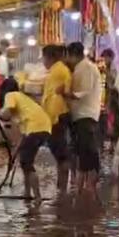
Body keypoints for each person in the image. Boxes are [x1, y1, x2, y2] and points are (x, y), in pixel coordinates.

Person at [0, 92, 52, 201]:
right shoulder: (25, 107)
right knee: (25, 162)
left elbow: (6, 115)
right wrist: (14, 156)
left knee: (27, 163)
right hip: (44, 128)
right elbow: (22, 138)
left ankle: (37, 196)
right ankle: (27, 193)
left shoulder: (10, 95)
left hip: (36, 128)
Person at [62, 42, 103, 193]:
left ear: (73, 55)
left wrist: (64, 93)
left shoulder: (86, 68)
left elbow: (82, 91)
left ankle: (90, 183)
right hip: (79, 114)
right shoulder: (79, 68)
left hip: (86, 113)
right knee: (81, 148)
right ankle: (84, 183)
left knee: (87, 148)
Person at [40, 44, 73, 194]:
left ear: (50, 57)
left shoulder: (58, 71)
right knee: (59, 152)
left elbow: (53, 97)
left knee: (60, 153)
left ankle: (63, 188)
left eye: (44, 57)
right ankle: (61, 187)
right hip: (54, 116)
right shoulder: (57, 70)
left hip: (57, 116)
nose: (43, 61)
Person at [101, 49, 118, 150]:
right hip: (106, 95)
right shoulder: (106, 68)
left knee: (111, 119)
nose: (104, 60)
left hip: (112, 96)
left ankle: (113, 143)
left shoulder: (113, 69)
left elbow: (113, 83)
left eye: (106, 57)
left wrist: (106, 73)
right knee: (107, 119)